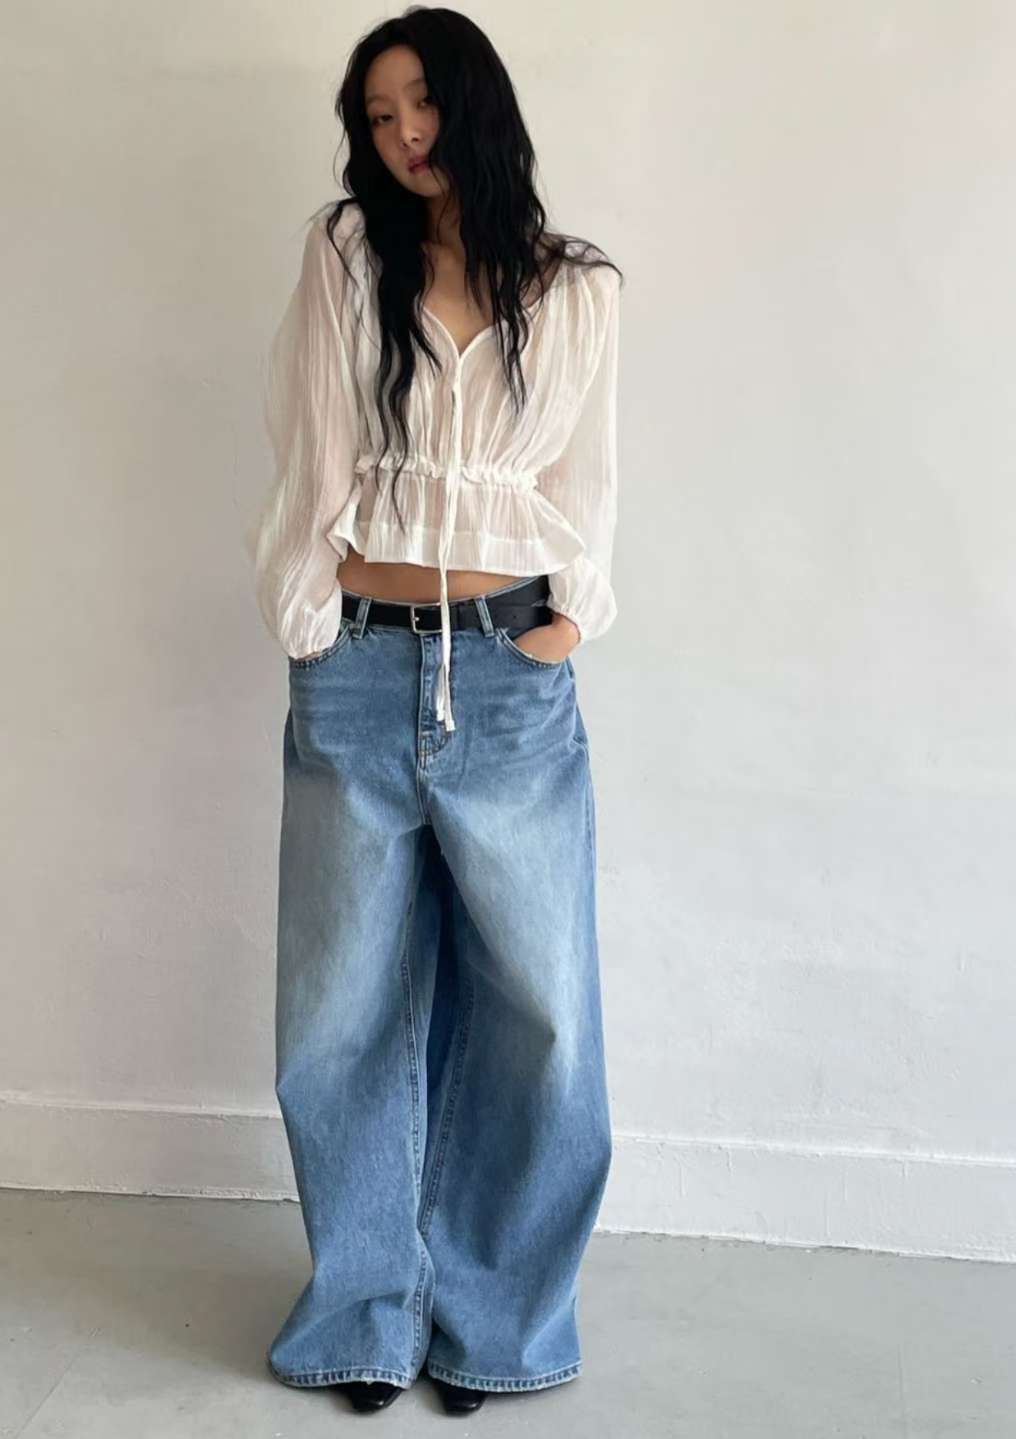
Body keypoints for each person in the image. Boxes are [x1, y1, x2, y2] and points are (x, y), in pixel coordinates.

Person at [248, 6, 622, 1417]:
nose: (403, 135)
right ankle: (363, 1314)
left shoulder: (574, 288)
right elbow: (312, 450)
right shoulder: (349, 254)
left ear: (476, 103)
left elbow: (586, 477)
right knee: (339, 1011)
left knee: (540, 1013)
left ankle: (496, 1324)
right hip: (359, 663)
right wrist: (307, 613)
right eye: (378, 114)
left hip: (512, 677)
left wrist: (572, 616)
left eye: (421, 103)